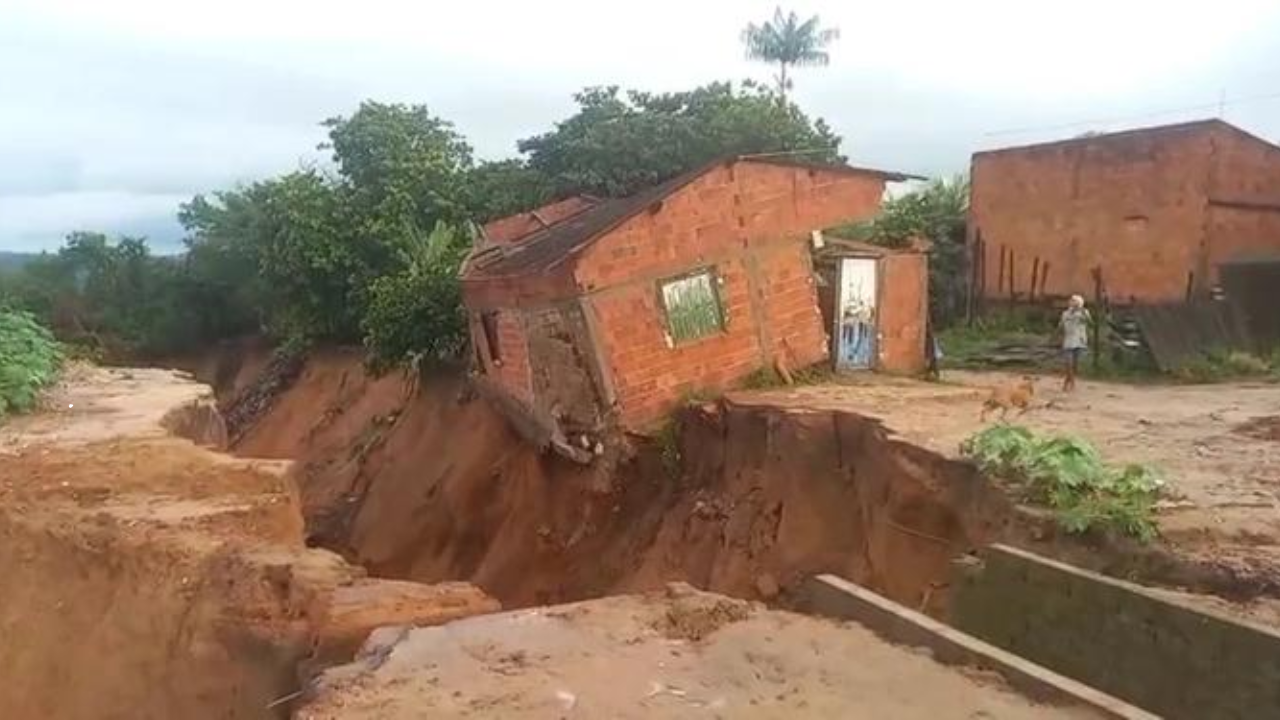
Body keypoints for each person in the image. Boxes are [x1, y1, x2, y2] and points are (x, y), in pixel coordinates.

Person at [1059, 294, 1091, 391]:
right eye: (1071, 301)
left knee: (1075, 364)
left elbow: (1089, 322)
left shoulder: (1083, 313)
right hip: (1068, 341)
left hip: (1079, 341)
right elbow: (1061, 325)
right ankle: (1071, 382)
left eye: (1074, 301)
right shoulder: (1065, 313)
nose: (1072, 302)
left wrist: (1082, 311)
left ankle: (1067, 380)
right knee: (1068, 363)